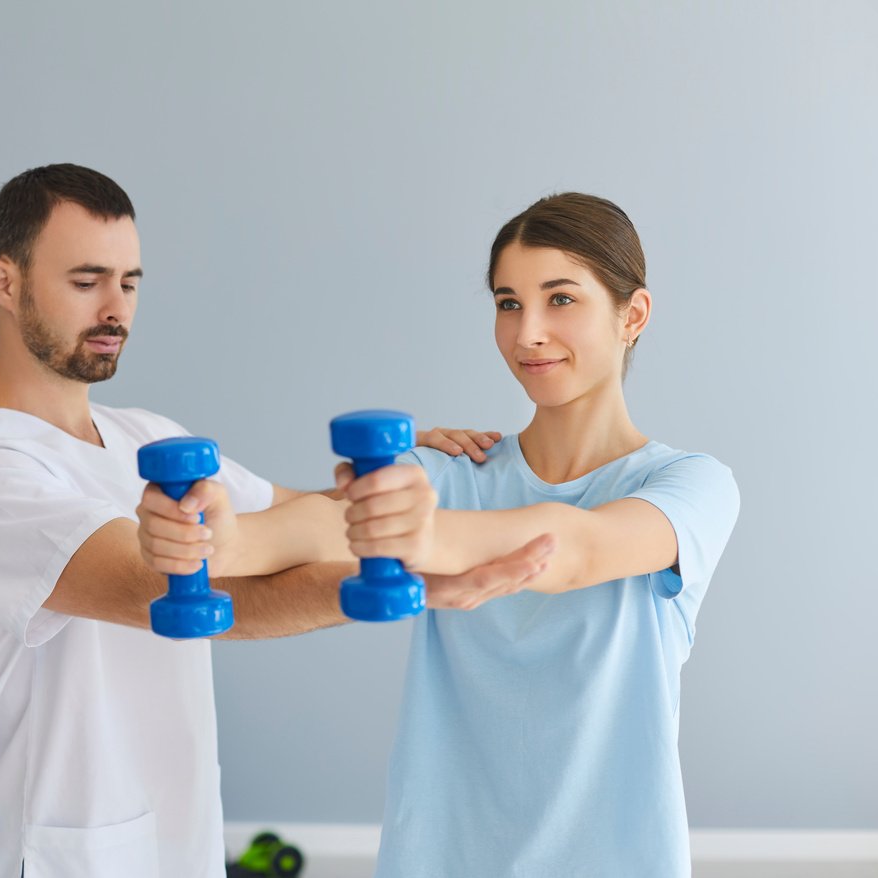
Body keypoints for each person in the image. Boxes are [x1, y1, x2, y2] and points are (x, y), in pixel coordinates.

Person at [0, 163, 548, 878]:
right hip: (56, 856)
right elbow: (184, 593)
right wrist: (410, 582)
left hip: (176, 841)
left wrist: (400, 477)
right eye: (86, 281)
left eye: (130, 282)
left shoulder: (142, 434)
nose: (115, 309)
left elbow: (293, 519)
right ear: (4, 282)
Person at [139, 192, 740, 876]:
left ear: (632, 314)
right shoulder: (449, 472)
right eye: (507, 302)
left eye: (560, 299)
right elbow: (318, 526)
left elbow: (574, 549)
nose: (526, 333)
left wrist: (407, 533)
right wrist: (219, 538)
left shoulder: (691, 486)